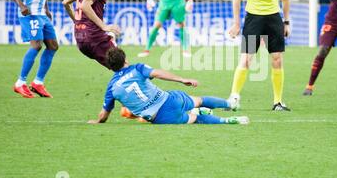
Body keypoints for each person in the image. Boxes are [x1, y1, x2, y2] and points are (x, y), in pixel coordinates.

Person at [88, 48, 249, 125]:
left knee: (196, 120)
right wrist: (181, 79)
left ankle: (226, 121)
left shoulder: (112, 88)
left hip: (161, 117)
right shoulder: (137, 68)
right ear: (125, 60)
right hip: (170, 98)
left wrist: (96, 121)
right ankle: (230, 103)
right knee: (199, 99)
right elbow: (158, 73)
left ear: (110, 67)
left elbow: (104, 116)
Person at [228, 0, 291, 111]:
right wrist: (236, 23)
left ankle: (278, 101)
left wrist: (286, 21)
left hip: (274, 20)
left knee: (277, 59)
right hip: (253, 20)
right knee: (246, 59)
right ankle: (233, 97)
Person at [7, 0, 58, 99]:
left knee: (53, 46)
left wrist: (47, 9)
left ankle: (38, 83)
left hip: (42, 13)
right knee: (36, 45)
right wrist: (21, 4)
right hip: (29, 13)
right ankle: (20, 83)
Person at [61, 0, 122, 69]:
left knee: (118, 67)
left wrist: (77, 21)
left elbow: (66, 2)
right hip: (93, 36)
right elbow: (85, 5)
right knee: (124, 67)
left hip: (80, 38)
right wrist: (104, 26)